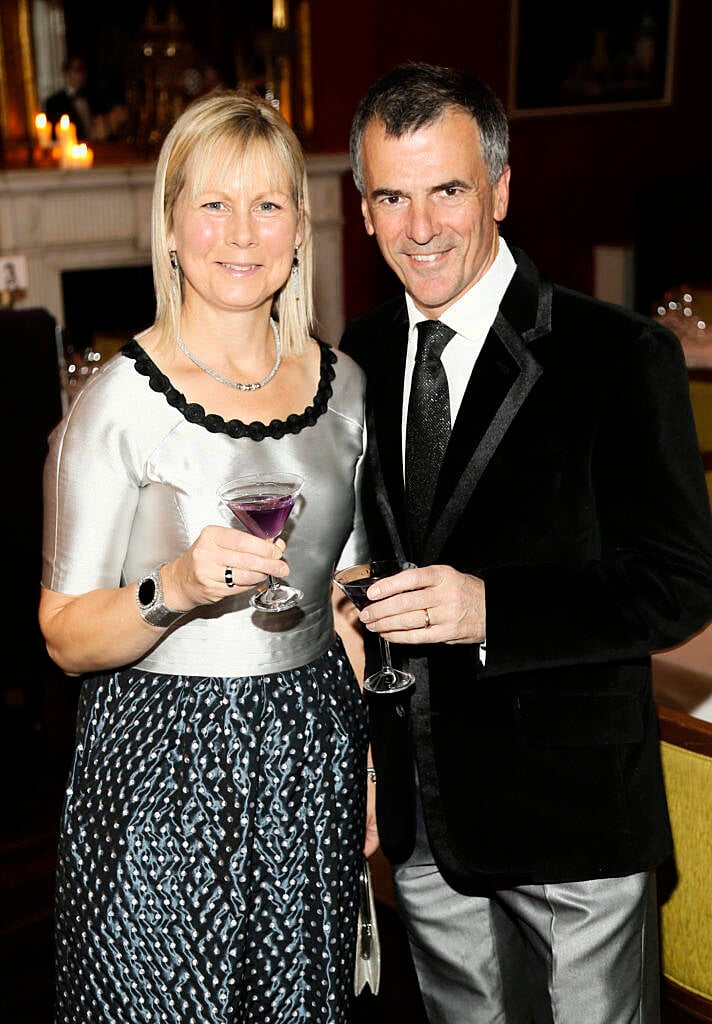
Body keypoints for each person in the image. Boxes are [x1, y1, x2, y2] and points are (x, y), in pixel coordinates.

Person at [340, 62, 712, 1024]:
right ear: (365, 207)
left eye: (448, 190)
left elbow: (675, 586)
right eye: (392, 196)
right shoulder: (359, 355)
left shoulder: (621, 356)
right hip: (424, 818)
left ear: (501, 188)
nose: (419, 228)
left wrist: (490, 610)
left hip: (575, 816)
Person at [39, 88, 377, 1023]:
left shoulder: (345, 388)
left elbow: (347, 596)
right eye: (214, 205)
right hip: (158, 764)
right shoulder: (118, 402)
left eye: (268, 204)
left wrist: (371, 773)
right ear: (174, 228)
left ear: (299, 230)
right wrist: (175, 587)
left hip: (311, 755)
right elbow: (64, 634)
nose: (242, 232)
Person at [43, 55, 94, 141]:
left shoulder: (93, 97)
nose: (81, 75)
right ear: (67, 73)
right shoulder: (54, 102)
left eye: (83, 70)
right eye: (77, 70)